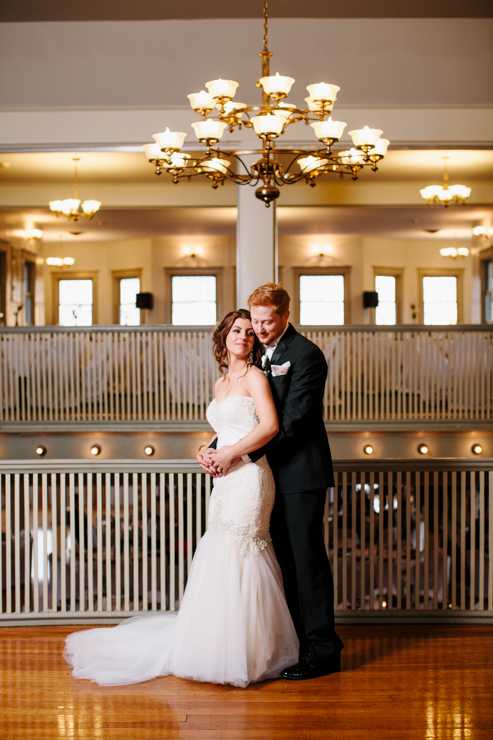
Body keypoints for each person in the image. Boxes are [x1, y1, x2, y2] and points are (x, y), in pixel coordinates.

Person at [64, 309, 299, 688]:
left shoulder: (256, 377)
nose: (244, 337)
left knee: (244, 551)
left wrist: (229, 454)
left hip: (250, 479)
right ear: (224, 336)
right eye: (236, 330)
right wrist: (205, 451)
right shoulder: (222, 383)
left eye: (250, 333)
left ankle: (251, 651)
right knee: (219, 550)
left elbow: (270, 427)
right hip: (223, 480)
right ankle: (216, 645)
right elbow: (226, 429)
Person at [200, 284, 343, 680]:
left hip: (300, 475)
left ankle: (324, 651)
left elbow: (290, 421)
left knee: (306, 561)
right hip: (264, 476)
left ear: (285, 315)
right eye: (254, 321)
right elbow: (244, 417)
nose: (258, 329)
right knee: (281, 564)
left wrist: (237, 455)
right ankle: (297, 645)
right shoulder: (259, 354)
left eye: (266, 322)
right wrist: (214, 447)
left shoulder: (306, 355)